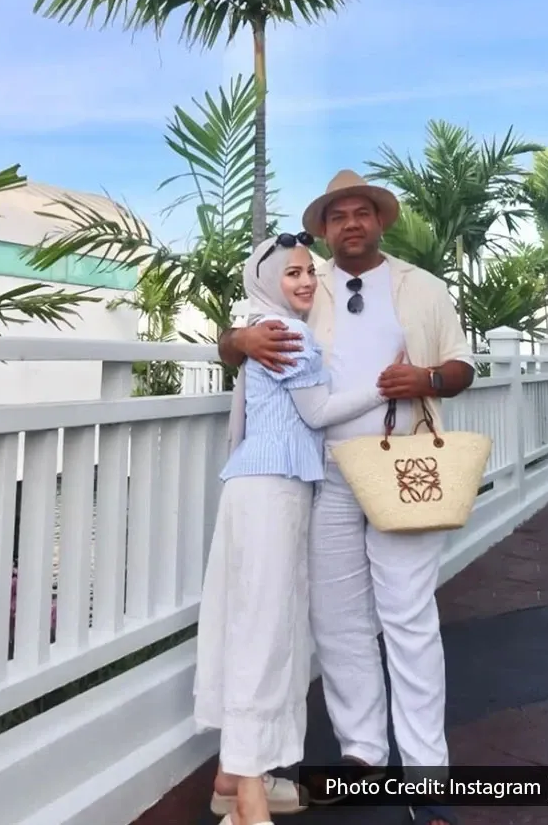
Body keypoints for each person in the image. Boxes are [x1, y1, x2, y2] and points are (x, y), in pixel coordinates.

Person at [218, 170, 476, 825]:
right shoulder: (307, 282)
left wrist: (426, 377)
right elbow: (241, 336)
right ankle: (363, 752)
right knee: (337, 619)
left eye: (362, 212)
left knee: (408, 615)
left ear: (380, 222)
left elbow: (463, 366)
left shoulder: (422, 288)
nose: (351, 223)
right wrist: (238, 342)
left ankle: (425, 772)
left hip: (403, 464)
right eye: (339, 216)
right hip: (324, 471)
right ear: (327, 229)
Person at [194, 232, 394, 825]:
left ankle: (232, 778)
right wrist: (381, 385)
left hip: (254, 487)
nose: (306, 281)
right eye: (292, 274)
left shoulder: (260, 328)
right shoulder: (290, 333)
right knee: (265, 631)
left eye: (310, 271)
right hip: (274, 490)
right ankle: (248, 803)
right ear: (267, 283)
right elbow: (317, 412)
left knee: (249, 621)